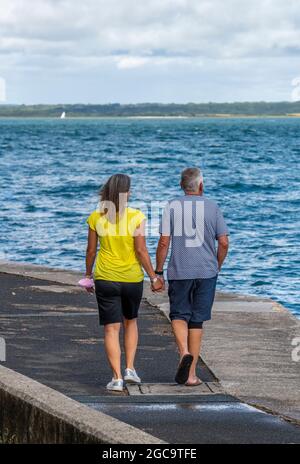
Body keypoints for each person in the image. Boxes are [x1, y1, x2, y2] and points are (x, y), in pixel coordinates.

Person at [84, 174, 162, 392]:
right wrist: (154, 277)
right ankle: (129, 369)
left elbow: (91, 251)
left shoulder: (96, 217)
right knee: (131, 322)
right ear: (126, 193)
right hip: (131, 279)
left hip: (106, 277)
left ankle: (117, 378)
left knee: (111, 328)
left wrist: (88, 276)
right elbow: (141, 250)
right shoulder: (136, 217)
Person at [155, 167, 229, 386]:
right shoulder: (213, 207)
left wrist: (158, 272)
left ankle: (184, 352)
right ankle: (191, 375)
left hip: (180, 271)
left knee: (179, 315)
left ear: (181, 186)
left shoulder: (172, 206)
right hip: (206, 272)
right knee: (197, 321)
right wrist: (217, 265)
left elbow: (163, 242)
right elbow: (224, 242)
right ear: (201, 186)